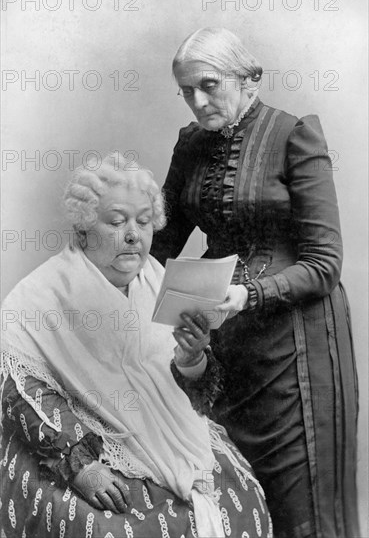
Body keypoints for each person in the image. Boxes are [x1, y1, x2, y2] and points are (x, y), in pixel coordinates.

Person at [150, 27, 359, 538]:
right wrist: (105, 276)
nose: (197, 102)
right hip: (223, 344)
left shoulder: (294, 135)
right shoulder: (191, 144)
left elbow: (325, 262)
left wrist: (249, 294)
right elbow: (162, 241)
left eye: (209, 85)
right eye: (186, 90)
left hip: (296, 351)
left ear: (251, 80)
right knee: (233, 503)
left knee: (300, 510)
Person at [0, 153, 272, 538]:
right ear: (82, 231)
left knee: (240, 500)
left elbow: (195, 393)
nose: (133, 235)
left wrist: (192, 358)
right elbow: (21, 395)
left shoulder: (159, 282)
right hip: (83, 441)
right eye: (115, 222)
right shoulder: (38, 296)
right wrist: (83, 467)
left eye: (143, 222)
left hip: (173, 433)